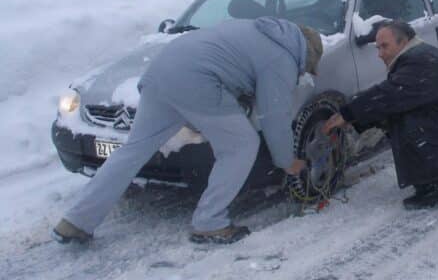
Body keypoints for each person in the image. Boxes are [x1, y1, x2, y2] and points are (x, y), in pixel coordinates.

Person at [53, 17, 323, 245]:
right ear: (307, 54)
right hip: (197, 81)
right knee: (242, 145)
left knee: (133, 150)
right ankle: (209, 221)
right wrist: (287, 161)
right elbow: (274, 116)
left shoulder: (258, 31)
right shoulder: (282, 58)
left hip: (161, 72)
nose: (302, 72)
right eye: (307, 68)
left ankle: (76, 221)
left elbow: (231, 65)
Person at [323, 21, 438, 209]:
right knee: (394, 113)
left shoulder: (418, 62)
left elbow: (388, 95)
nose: (380, 54)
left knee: (404, 122)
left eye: (385, 46)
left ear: (403, 42)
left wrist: (347, 114)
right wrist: (357, 120)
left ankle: (434, 188)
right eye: (377, 48)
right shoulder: (418, 54)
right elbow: (392, 97)